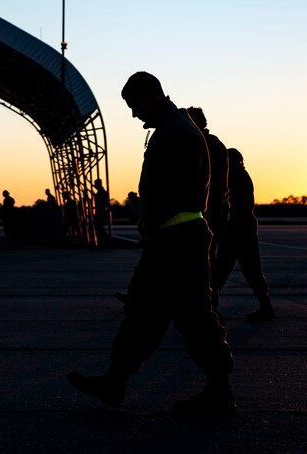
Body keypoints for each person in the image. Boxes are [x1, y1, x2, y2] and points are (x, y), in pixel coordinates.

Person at [68, 71, 235, 418]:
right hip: (172, 238)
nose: (133, 114)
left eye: (134, 105)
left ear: (151, 95)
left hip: (178, 241)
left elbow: (176, 192)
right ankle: (115, 380)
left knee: (193, 316)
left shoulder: (176, 133)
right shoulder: (173, 129)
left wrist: (151, 218)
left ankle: (219, 391)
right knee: (145, 309)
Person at [211, 148, 273, 321]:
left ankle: (209, 309)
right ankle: (265, 306)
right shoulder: (238, 177)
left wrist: (224, 225)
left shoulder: (237, 179)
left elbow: (237, 207)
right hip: (241, 230)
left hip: (238, 231)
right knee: (250, 271)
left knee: (223, 271)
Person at [186, 107, 230, 244]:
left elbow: (218, 183)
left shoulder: (208, 145)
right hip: (209, 208)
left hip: (208, 209)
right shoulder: (212, 144)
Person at [93, 179, 111, 245]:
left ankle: (103, 240)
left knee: (99, 227)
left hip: (101, 212)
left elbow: (103, 203)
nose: (94, 186)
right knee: (99, 227)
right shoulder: (101, 192)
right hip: (100, 212)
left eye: (95, 184)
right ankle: (104, 240)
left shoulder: (102, 192)